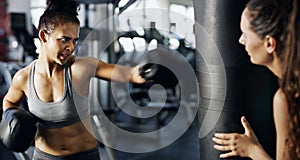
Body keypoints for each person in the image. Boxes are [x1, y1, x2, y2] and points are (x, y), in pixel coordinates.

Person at [0, 0, 160, 159]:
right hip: (44, 157)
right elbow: (9, 102)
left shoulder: (80, 68)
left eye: (74, 40)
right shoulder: (23, 77)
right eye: (64, 40)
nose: (71, 47)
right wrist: (12, 117)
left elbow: (129, 74)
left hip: (84, 156)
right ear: (43, 36)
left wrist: (146, 72)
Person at [212, 0, 299, 159]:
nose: (241, 40)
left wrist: (251, 149)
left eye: (245, 34)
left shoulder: (286, 99)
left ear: (269, 43)